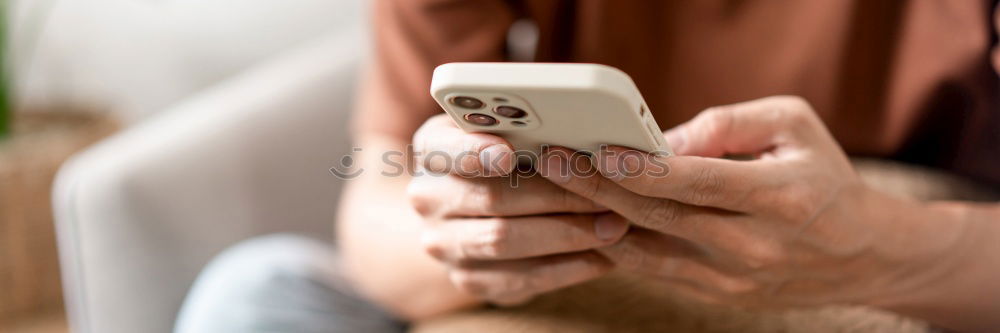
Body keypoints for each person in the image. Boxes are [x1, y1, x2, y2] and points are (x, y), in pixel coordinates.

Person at [175, 1, 1000, 332]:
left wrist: (879, 247)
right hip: (592, 272)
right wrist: (474, 236)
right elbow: (377, 198)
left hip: (906, 267)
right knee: (256, 296)